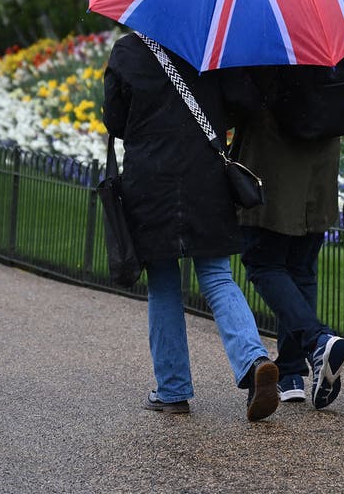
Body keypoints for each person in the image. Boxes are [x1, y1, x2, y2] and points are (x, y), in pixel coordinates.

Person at [103, 31, 280, 421]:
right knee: (217, 278)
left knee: (164, 283)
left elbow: (114, 119)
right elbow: (244, 103)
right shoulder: (209, 46)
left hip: (149, 181)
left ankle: (173, 390)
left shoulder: (128, 50)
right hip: (205, 177)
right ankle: (254, 363)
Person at [233, 57, 344, 409]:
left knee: (263, 262)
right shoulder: (330, 28)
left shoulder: (266, 36)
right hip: (320, 158)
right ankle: (290, 374)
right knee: (300, 267)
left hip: (275, 159)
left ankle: (317, 341)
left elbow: (242, 101)